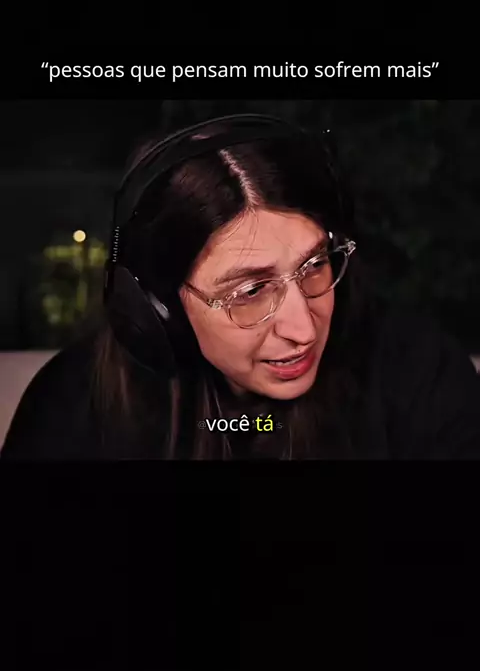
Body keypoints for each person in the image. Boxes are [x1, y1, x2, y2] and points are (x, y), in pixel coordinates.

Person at [2, 113, 479, 460]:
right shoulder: (74, 407)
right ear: (159, 308)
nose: (303, 329)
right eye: (250, 292)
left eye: (314, 265)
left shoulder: (419, 373)